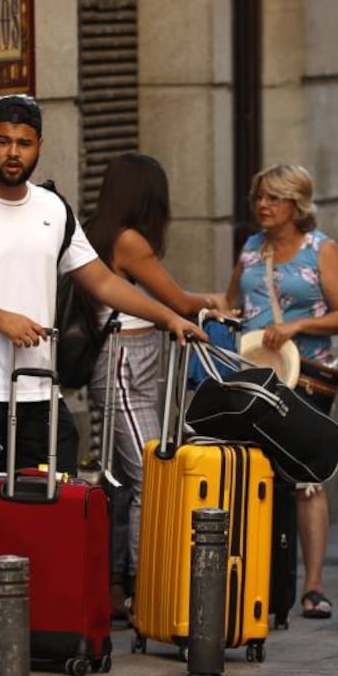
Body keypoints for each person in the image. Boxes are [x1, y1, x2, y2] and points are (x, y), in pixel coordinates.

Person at [0, 95, 205, 482]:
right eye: (3, 142)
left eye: (24, 143)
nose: (13, 153)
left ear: (39, 146)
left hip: (41, 393)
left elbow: (101, 281)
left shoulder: (53, 208)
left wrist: (170, 317)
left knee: (54, 510)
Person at [82, 153, 226, 618]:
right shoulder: (127, 241)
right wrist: (216, 301)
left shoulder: (108, 234)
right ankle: (151, 589)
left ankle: (120, 585)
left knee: (128, 481)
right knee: (152, 475)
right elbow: (177, 301)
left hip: (136, 361)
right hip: (123, 363)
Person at [226, 163, 338, 620]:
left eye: (275, 198)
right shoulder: (249, 250)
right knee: (256, 473)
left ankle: (315, 584)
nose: (264, 206)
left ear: (297, 204)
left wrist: (298, 325)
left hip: (305, 375)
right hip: (254, 376)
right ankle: (262, 576)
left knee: (305, 478)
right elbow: (231, 305)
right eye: (260, 197)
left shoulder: (321, 250)